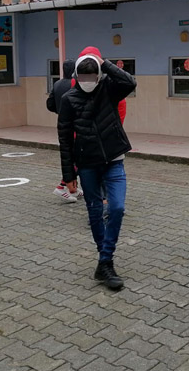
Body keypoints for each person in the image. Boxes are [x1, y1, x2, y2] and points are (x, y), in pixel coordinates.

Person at [57, 46, 136, 290]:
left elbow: (130, 82)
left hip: (113, 160)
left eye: (93, 76)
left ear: (99, 74)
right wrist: (68, 175)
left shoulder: (109, 89)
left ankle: (104, 260)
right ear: (76, 77)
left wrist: (105, 63)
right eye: (83, 77)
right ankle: (106, 262)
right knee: (94, 211)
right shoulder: (68, 99)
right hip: (87, 164)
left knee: (117, 207)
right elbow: (65, 139)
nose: (88, 82)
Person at [47, 59, 82, 202]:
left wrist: (60, 111)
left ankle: (72, 186)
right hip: (75, 125)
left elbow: (50, 104)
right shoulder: (75, 85)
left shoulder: (57, 84)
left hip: (62, 124)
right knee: (77, 158)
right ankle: (61, 186)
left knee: (70, 157)